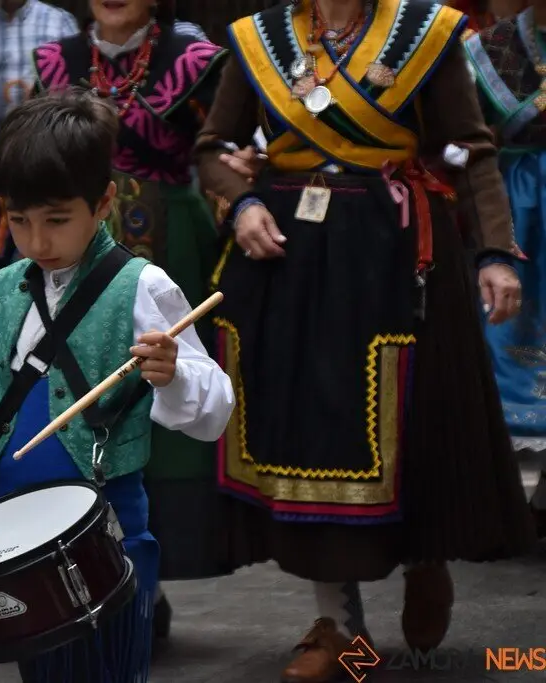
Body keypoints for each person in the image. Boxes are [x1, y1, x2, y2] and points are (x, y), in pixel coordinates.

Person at [194, 0, 536, 679]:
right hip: (292, 257)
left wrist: (495, 251)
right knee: (311, 440)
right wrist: (244, 202)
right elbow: (212, 149)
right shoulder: (260, 38)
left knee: (410, 426)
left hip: (399, 257)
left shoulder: (426, 33)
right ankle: (339, 626)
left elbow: (469, 150)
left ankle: (424, 557)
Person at [0, 90, 234, 683]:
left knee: (110, 671)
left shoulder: (141, 288)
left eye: (56, 220)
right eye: (19, 221)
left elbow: (214, 409)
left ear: (103, 202)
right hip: (14, 535)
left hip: (107, 531)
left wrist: (173, 372)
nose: (37, 242)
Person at [0, 2, 217, 283]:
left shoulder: (191, 60)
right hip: (66, 246)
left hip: (172, 243)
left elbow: (223, 155)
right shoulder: (56, 62)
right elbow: (21, 167)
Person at [464, 0, 546, 537]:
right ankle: (505, 500)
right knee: (511, 333)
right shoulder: (490, 47)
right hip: (520, 209)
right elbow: (467, 141)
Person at [0, 0, 80, 178]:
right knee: (9, 191)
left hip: (53, 132)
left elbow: (81, 78)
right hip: (6, 134)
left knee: (52, 191)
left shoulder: (58, 22)